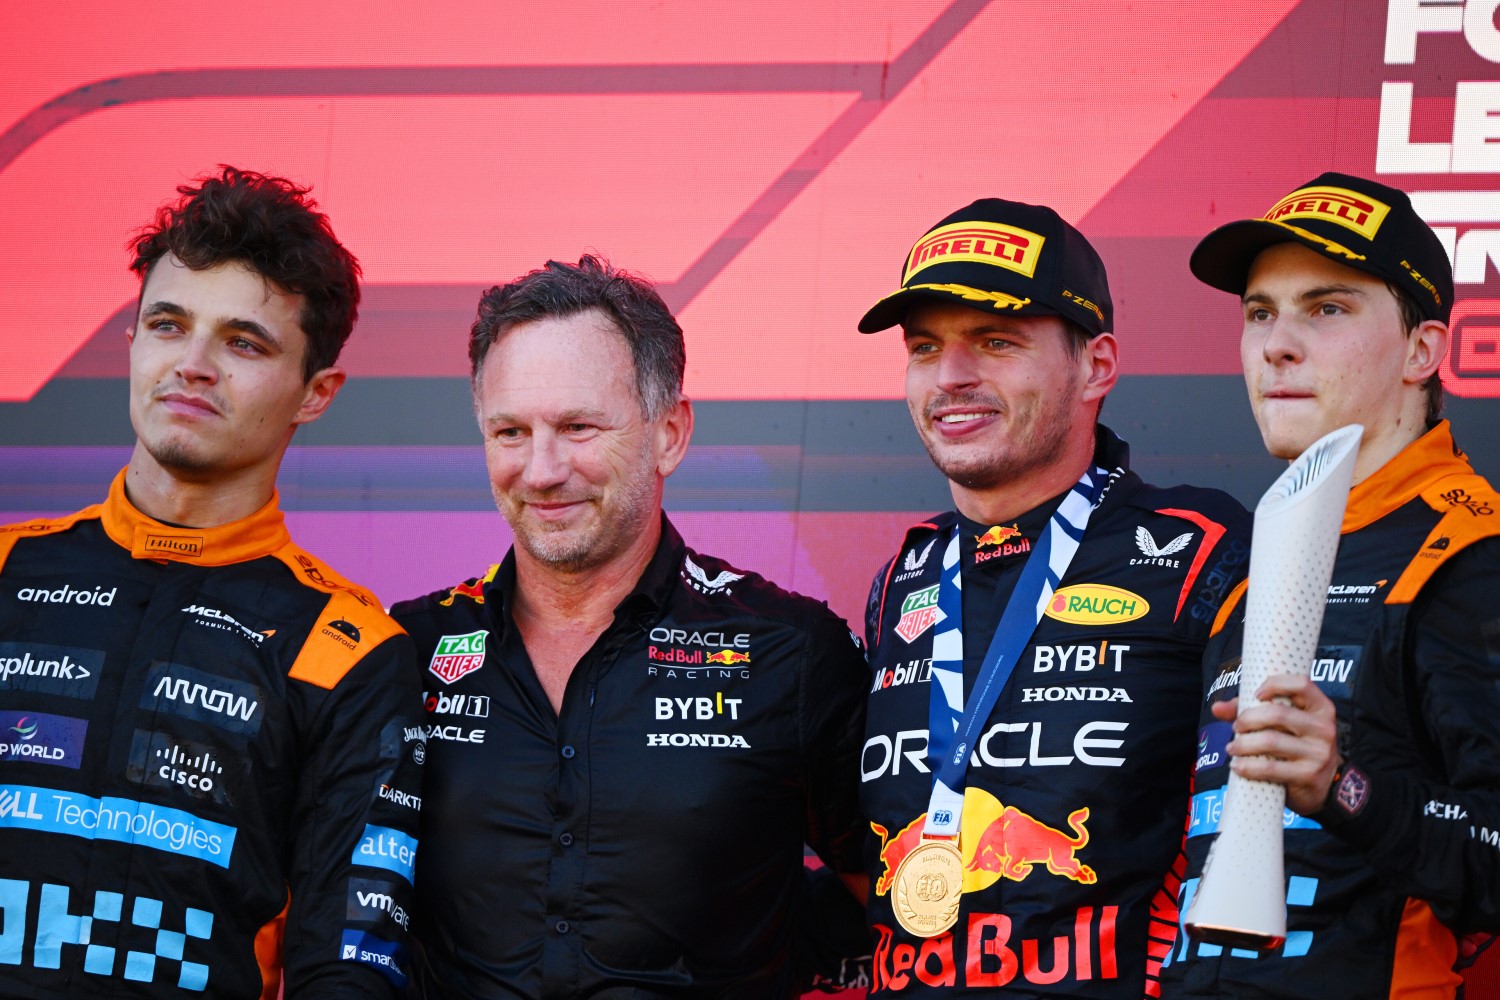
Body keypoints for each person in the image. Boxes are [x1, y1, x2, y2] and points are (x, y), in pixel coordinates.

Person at [389, 254, 868, 998]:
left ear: (670, 432)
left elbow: (896, 907)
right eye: (510, 431)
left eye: (579, 426)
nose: (542, 470)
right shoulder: (405, 650)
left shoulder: (790, 653)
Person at [0, 167, 425, 998]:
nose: (192, 365)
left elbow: (349, 965)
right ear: (131, 344)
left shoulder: (349, 653)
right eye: (168, 325)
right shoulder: (8, 573)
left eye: (243, 342)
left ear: (316, 394)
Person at [855, 198, 1252, 997]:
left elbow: (1262, 837)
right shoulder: (905, 573)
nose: (951, 376)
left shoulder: (1199, 548)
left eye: (995, 342)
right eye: (925, 347)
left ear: (1097, 366)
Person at [1161, 173, 1500, 998]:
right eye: (1260, 313)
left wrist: (1343, 788)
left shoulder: (1471, 554)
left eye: (1328, 309)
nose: (1277, 344)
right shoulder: (1256, 557)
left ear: (1423, 350)